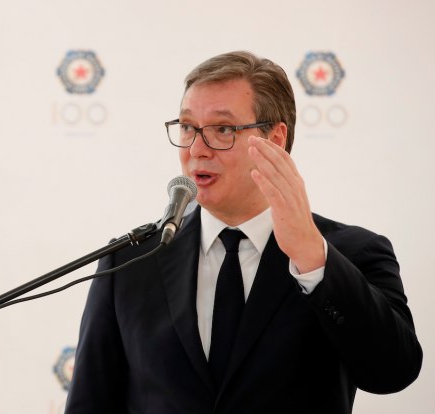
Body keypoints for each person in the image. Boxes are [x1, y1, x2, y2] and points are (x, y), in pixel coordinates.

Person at [64, 51, 422, 414]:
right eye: (187, 127)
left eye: (222, 129)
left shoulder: (351, 253)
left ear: (275, 139)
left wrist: (312, 257)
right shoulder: (129, 261)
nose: (197, 150)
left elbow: (393, 372)